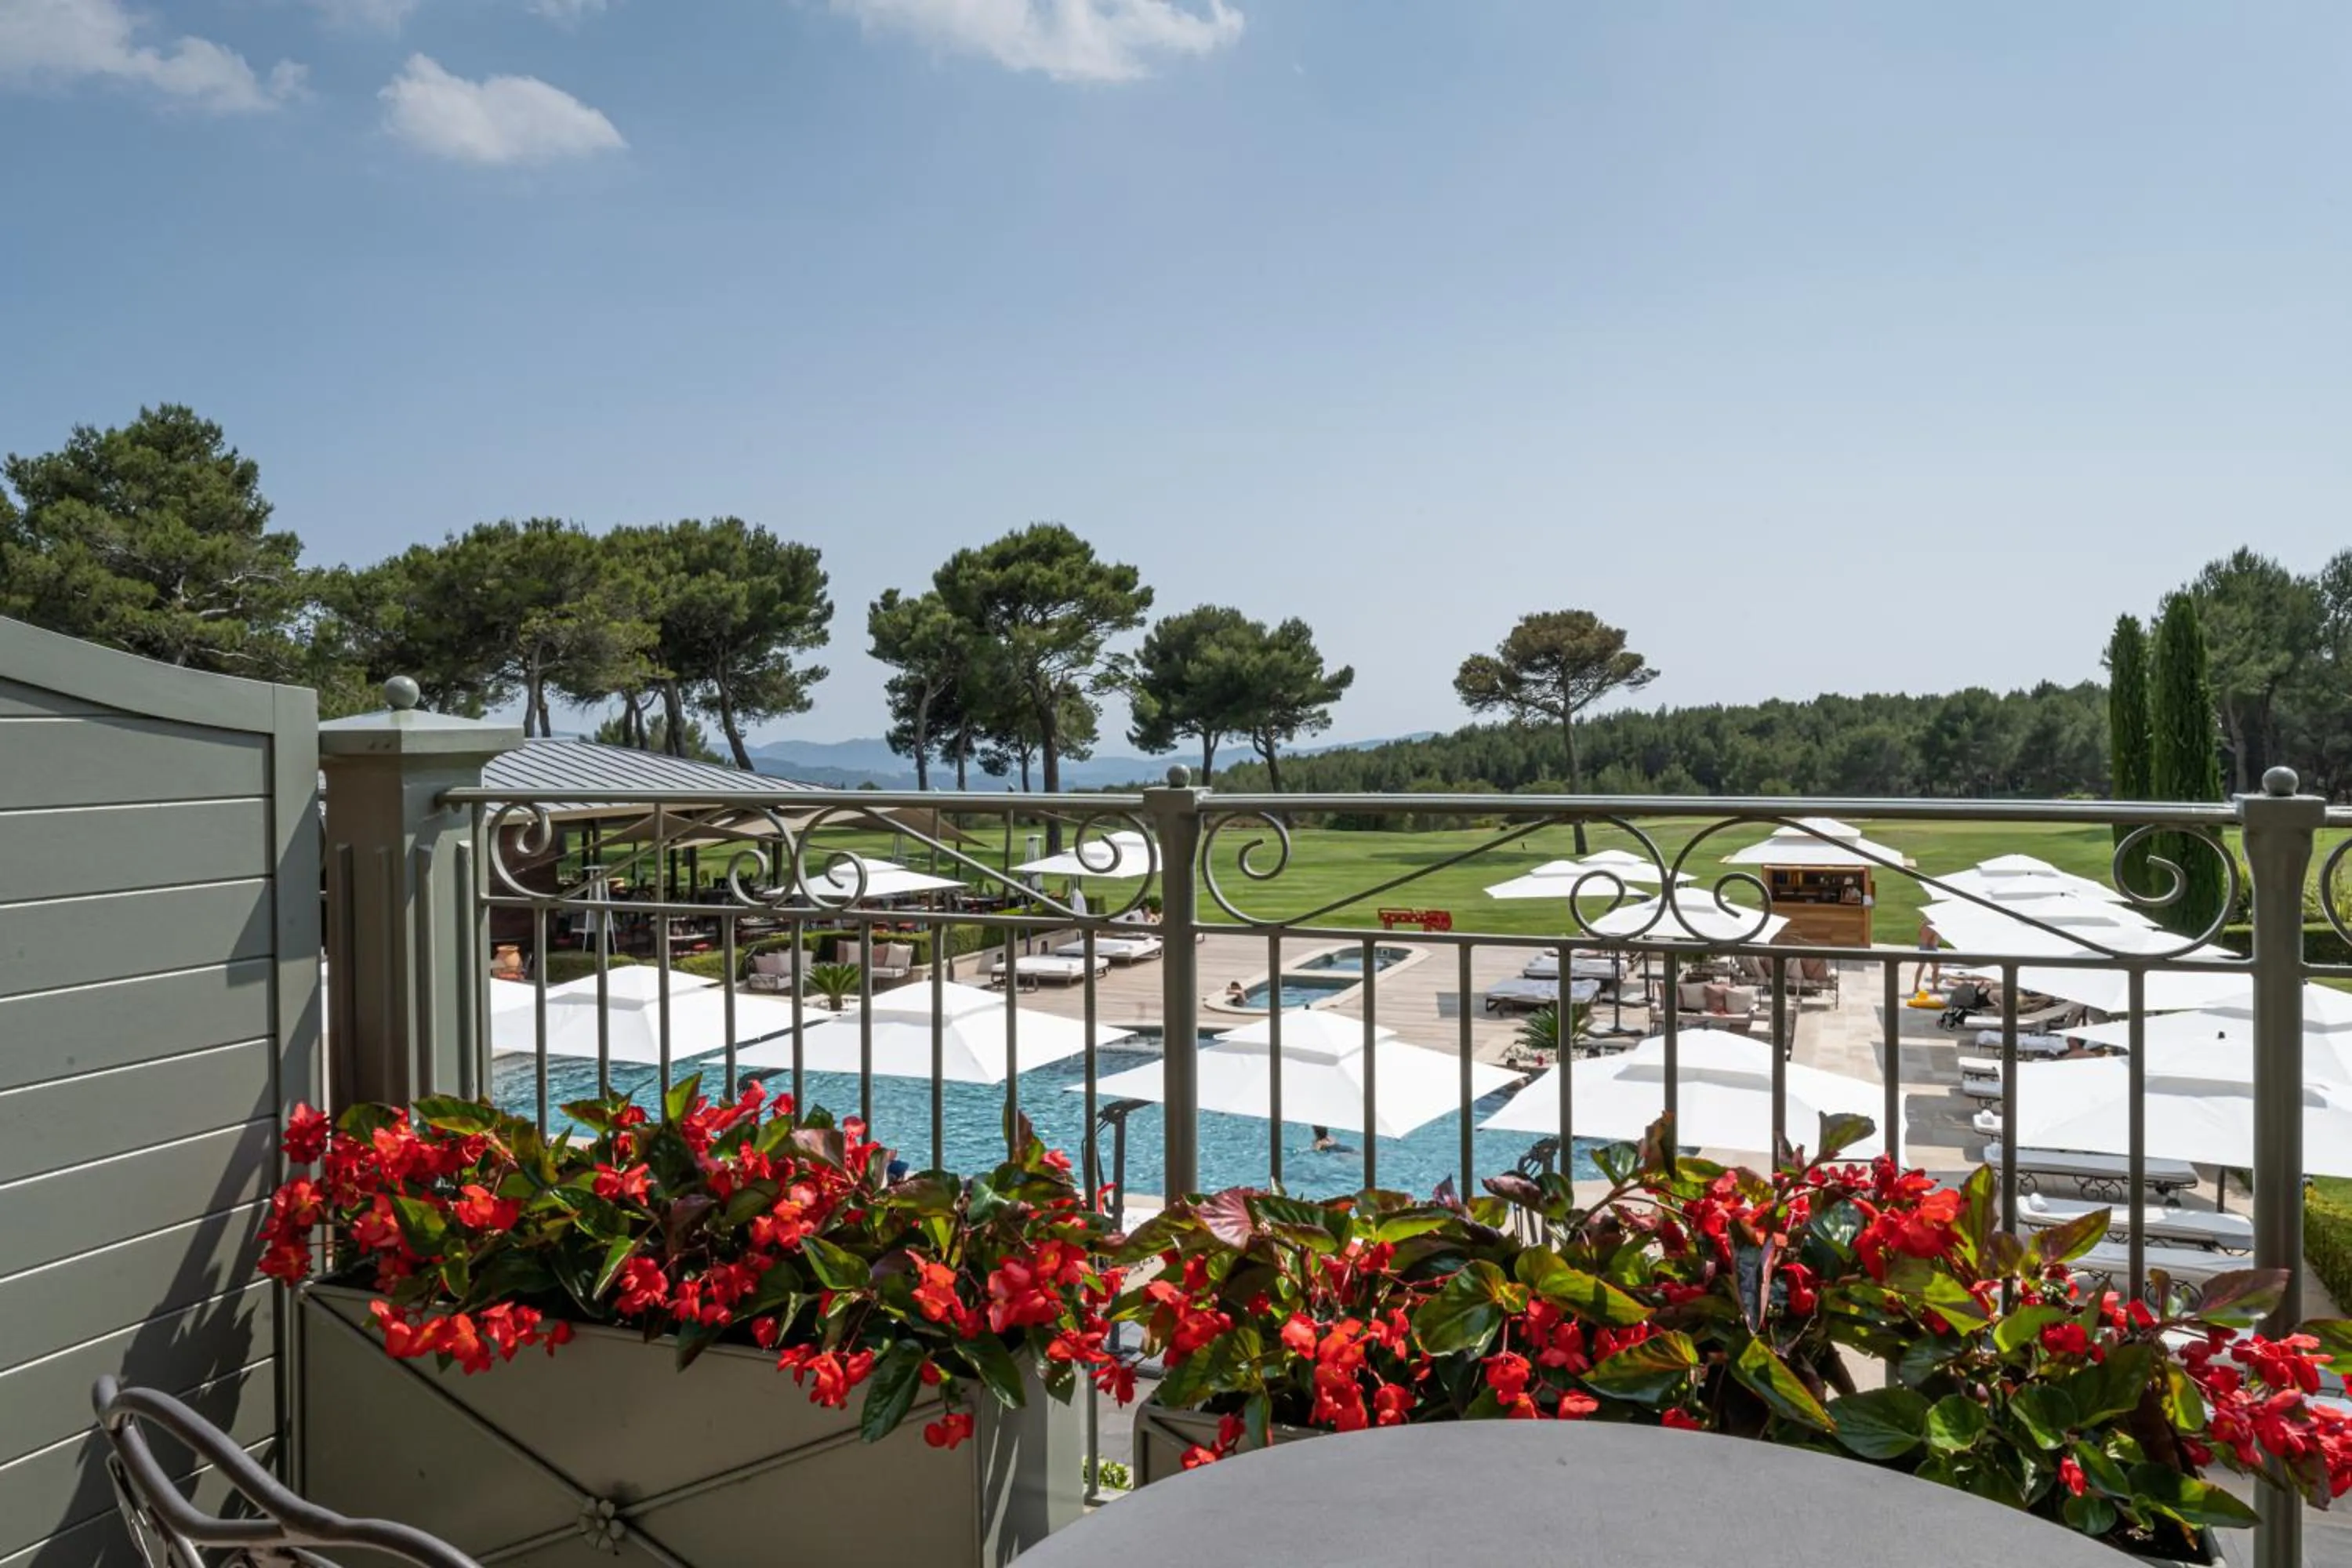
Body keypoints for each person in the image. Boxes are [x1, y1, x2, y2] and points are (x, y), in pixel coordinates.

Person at [1911, 921, 1942, 992]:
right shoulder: (1933, 924)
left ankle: (1916, 987)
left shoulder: (1924, 923)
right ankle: (1935, 987)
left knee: (1921, 967)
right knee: (1936, 968)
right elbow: (1933, 939)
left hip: (1923, 946)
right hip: (1930, 947)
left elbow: (1920, 933)